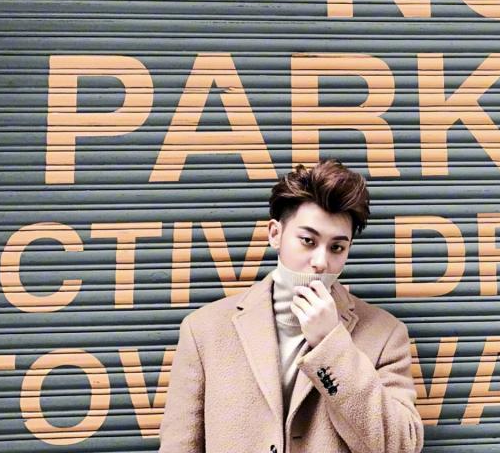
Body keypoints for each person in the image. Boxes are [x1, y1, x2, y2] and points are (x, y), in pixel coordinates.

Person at [158, 158, 424, 453]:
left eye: (337, 247)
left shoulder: (385, 335)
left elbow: (401, 446)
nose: (321, 262)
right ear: (275, 234)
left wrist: (331, 345)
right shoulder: (204, 330)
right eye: (308, 241)